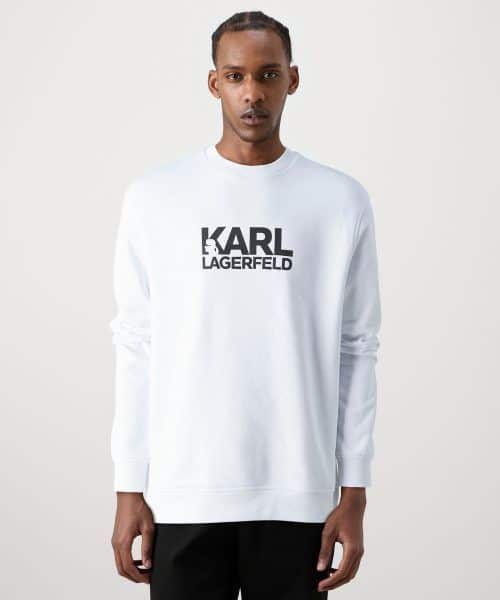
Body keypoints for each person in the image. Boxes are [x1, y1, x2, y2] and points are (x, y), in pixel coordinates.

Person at [109, 10, 382, 599]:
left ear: (293, 79)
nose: (252, 93)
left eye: (268, 75)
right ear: (215, 83)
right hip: (184, 493)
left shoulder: (340, 201)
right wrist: (129, 486)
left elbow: (357, 349)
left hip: (298, 494)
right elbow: (136, 345)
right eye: (236, 76)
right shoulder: (155, 199)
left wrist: (354, 492)